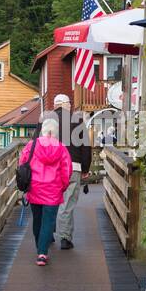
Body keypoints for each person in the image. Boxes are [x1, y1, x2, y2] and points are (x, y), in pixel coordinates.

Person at [19, 115, 72, 267]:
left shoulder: (31, 145)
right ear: (56, 132)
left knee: (37, 219)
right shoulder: (61, 148)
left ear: (42, 131)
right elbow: (66, 170)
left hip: (34, 188)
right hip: (53, 190)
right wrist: (63, 186)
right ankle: (42, 253)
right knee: (48, 222)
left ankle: (39, 248)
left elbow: (22, 164)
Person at [53, 93, 92, 251]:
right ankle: (65, 238)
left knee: (49, 201)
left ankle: (47, 234)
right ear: (67, 105)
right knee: (67, 203)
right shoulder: (77, 120)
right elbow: (85, 148)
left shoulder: (45, 121)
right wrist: (85, 169)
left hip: (50, 169)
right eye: (70, 104)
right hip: (73, 167)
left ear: (55, 105)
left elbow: (36, 144)